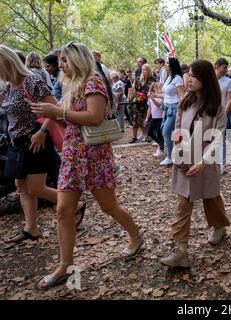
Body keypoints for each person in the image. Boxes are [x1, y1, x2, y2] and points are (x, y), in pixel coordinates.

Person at [28, 42, 143, 289]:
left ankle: (136, 237)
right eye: (60, 61)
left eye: (66, 61)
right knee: (63, 211)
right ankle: (65, 267)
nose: (61, 65)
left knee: (109, 207)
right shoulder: (70, 85)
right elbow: (68, 118)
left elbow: (95, 116)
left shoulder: (93, 81)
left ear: (79, 61)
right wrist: (52, 116)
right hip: (72, 154)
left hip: (94, 156)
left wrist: (59, 112)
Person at [0, 44, 85, 243]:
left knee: (36, 188)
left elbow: (53, 108)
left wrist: (41, 132)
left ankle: (77, 204)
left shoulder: (31, 81)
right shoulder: (9, 86)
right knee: (21, 185)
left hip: (35, 140)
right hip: (17, 143)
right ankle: (31, 228)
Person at [160, 60, 228, 268]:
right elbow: (178, 128)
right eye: (188, 75)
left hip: (205, 162)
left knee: (211, 198)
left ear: (205, 79)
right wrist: (177, 141)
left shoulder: (217, 108)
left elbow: (218, 138)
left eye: (194, 76)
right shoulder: (185, 102)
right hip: (185, 161)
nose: (188, 79)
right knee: (183, 204)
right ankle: (181, 252)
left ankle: (219, 226)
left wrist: (203, 162)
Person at [158, 57, 185, 166]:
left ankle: (170, 157)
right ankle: (177, 155)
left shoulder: (178, 78)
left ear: (172, 65)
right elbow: (167, 94)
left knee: (166, 131)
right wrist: (156, 95)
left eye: (167, 63)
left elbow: (182, 96)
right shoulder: (169, 78)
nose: (165, 64)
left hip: (174, 108)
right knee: (171, 132)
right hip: (166, 107)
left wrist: (180, 111)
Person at [214, 58, 231, 175]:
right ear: (217, 66)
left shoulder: (228, 81)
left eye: (226, 67)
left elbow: (230, 99)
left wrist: (225, 112)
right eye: (224, 67)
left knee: (220, 139)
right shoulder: (209, 80)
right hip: (208, 113)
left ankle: (221, 164)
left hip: (221, 112)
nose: (226, 70)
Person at [129, 63, 154, 143]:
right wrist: (133, 98)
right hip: (137, 102)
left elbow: (153, 91)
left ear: (149, 70)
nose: (143, 71)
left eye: (145, 69)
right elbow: (134, 90)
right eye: (142, 69)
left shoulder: (152, 80)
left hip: (146, 102)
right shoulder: (137, 79)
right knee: (135, 119)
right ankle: (134, 137)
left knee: (145, 119)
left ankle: (146, 136)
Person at [145, 82, 165, 158]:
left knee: (159, 133)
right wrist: (147, 118)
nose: (157, 90)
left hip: (161, 117)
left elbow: (159, 106)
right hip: (154, 117)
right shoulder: (151, 97)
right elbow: (149, 108)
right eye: (156, 88)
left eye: (159, 88)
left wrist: (153, 98)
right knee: (149, 132)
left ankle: (162, 149)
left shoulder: (163, 97)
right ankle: (161, 143)